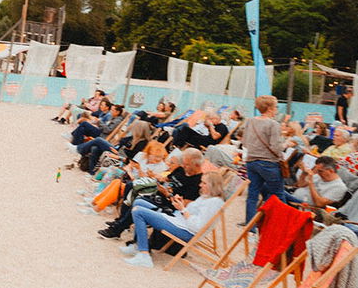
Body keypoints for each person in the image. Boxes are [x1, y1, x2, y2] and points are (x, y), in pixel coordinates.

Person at [122, 150, 229, 268]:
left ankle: (144, 254)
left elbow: (197, 226)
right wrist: (179, 203)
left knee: (138, 211)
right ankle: (138, 245)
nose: (200, 185)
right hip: (179, 219)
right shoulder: (206, 197)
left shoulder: (214, 203)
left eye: (203, 183)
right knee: (139, 202)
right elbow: (191, 210)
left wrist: (183, 209)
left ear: (211, 185)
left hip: (185, 229)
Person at [239, 94, 290, 222]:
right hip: (268, 163)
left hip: (251, 161)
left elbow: (244, 142)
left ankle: (250, 225)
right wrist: (285, 145)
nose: (277, 109)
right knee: (278, 193)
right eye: (276, 107)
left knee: (252, 194)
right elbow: (276, 147)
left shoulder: (249, 121)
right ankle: (283, 223)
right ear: (270, 108)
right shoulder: (273, 124)